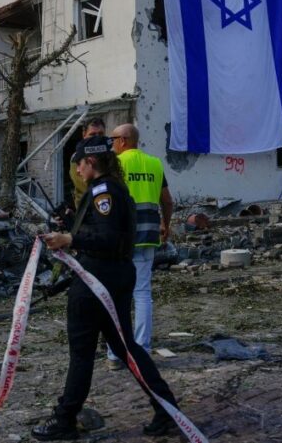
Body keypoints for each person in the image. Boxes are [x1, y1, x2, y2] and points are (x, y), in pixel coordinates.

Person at [33, 136, 181, 440]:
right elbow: (104, 230)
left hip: (96, 280)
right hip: (112, 276)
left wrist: (70, 239)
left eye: (79, 163)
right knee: (127, 348)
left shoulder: (104, 192)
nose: (77, 169)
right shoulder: (113, 188)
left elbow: (109, 238)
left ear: (90, 162)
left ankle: (65, 420)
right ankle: (166, 409)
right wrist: (71, 224)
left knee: (83, 352)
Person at [106, 123, 172, 370]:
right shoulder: (154, 164)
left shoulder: (115, 164)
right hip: (148, 236)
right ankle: (142, 351)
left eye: (113, 139)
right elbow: (167, 201)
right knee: (142, 293)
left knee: (115, 295)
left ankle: (115, 354)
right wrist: (166, 225)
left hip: (121, 239)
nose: (111, 143)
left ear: (123, 140)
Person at [69, 117, 106, 211]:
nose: (97, 138)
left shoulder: (109, 155)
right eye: (92, 134)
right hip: (87, 209)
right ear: (84, 135)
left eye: (100, 134)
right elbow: (85, 185)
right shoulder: (77, 158)